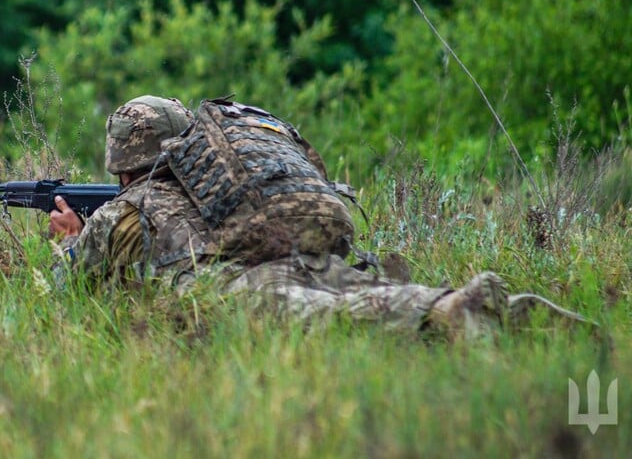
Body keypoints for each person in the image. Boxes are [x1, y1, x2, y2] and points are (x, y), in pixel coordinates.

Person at [49, 95, 590, 339]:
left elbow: (71, 288)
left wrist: (68, 241)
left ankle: (457, 309)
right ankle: (498, 310)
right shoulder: (214, 180)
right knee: (357, 290)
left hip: (240, 290)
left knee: (344, 317)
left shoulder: (127, 208)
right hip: (300, 258)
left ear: (123, 163)